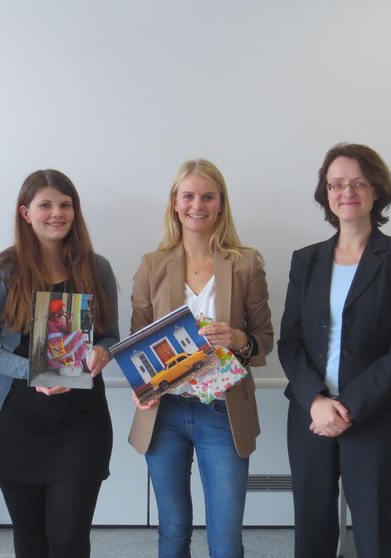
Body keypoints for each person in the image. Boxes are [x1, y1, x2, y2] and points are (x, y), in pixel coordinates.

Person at [278, 143, 391, 558]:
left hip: (375, 415)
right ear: (326, 193)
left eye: (358, 182)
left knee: (376, 535)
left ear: (376, 190)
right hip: (310, 416)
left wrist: (350, 406)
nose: (347, 192)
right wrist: (316, 401)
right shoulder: (306, 260)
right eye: (336, 184)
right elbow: (289, 342)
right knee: (312, 534)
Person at [0, 169, 119, 558]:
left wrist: (103, 352)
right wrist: (31, 372)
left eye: (65, 204)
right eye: (46, 205)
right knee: (30, 538)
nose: (57, 213)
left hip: (80, 421)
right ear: (25, 212)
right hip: (17, 420)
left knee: (69, 538)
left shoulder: (96, 268)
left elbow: (110, 335)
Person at [128, 159, 273, 558]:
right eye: (188, 196)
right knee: (172, 532)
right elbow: (135, 343)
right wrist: (139, 387)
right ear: (174, 203)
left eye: (208, 196)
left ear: (221, 204)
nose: (198, 205)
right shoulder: (152, 265)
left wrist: (239, 337)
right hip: (165, 413)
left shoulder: (245, 263)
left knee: (225, 539)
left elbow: (265, 341)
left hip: (223, 414)